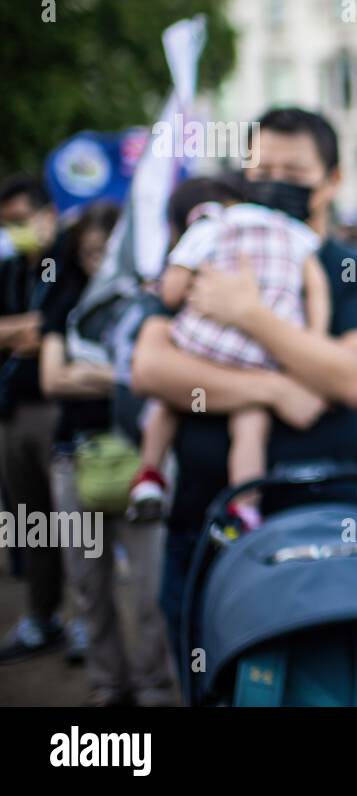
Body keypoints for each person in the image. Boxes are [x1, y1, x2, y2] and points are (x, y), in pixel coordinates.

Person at [130, 107, 357, 662]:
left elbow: (353, 379)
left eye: (293, 172)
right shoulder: (217, 245)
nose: (273, 183)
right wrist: (277, 390)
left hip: (320, 531)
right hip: (203, 527)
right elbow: (151, 369)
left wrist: (250, 316)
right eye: (261, 169)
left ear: (333, 181)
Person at [127, 174, 330, 527]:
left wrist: (175, 290)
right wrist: (312, 338)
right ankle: (245, 506)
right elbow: (317, 286)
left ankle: (149, 478)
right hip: (262, 355)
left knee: (166, 403)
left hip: (204, 343)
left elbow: (172, 291)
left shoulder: (209, 224)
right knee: (251, 425)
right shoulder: (290, 229)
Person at [39, 202, 176, 705]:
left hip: (143, 461)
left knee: (147, 591)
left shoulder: (153, 299)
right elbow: (54, 378)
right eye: (90, 252)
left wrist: (103, 373)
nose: (100, 262)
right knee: (88, 586)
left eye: (109, 251)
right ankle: (107, 686)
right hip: (75, 460)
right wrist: (126, 373)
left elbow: (158, 375)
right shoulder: (64, 301)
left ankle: (155, 689)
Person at [0, 178, 71, 664]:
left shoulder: (66, 265)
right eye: (9, 222)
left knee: (76, 525)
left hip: (58, 413)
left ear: (48, 213)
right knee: (29, 524)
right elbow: (35, 332)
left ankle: (87, 621)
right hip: (11, 414)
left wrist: (35, 332)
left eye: (23, 218)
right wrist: (29, 332)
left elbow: (57, 327)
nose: (17, 229)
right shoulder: (8, 270)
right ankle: (42, 619)